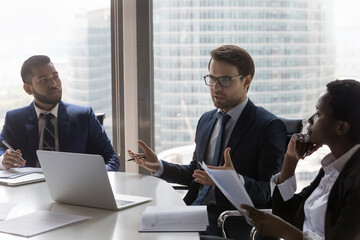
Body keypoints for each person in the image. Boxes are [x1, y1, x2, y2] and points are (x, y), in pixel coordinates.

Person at [128, 45, 287, 238]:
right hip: (193, 212)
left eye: (225, 80)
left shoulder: (268, 126)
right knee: (135, 227)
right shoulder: (206, 120)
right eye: (212, 79)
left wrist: (231, 181)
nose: (216, 88)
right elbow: (195, 173)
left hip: (230, 221)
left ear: (246, 81)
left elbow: (269, 193)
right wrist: (159, 166)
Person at [238, 79, 360, 239]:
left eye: (318, 114)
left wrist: (283, 231)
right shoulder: (331, 169)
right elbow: (286, 213)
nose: (309, 120)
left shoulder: (356, 179)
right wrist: (290, 158)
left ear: (341, 127)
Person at [0, 55, 119, 171]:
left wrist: (96, 179)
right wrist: (3, 159)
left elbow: (111, 159)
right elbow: (1, 149)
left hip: (73, 188)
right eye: (44, 80)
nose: (54, 84)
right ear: (28, 89)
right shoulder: (15, 119)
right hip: (27, 188)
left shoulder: (83, 116)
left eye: (55, 76)